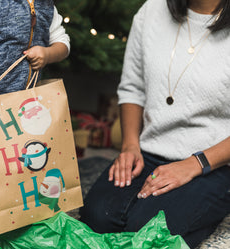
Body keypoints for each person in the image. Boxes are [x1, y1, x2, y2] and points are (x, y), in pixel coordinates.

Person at [79, 0, 230, 248]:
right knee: (97, 219)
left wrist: (194, 164)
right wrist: (129, 146)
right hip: (148, 150)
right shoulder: (152, 10)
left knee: (147, 231)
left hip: (215, 162)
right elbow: (132, 88)